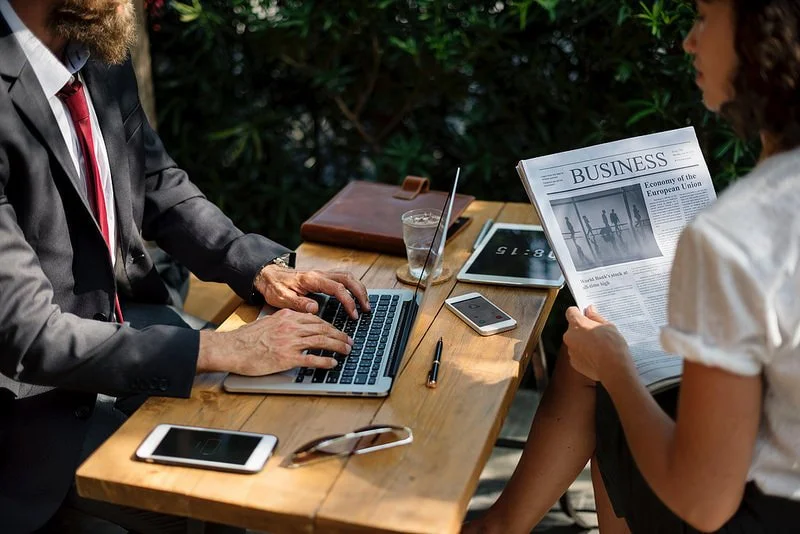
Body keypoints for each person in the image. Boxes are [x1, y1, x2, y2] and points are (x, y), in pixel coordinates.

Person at [0, 1, 372, 532]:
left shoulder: (92, 46)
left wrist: (259, 267)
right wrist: (223, 348)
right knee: (219, 492)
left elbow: (155, 182)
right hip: (29, 403)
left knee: (283, 420)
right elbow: (30, 337)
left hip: (130, 326)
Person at [464, 0, 800, 532]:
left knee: (606, 377)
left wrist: (618, 369)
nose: (690, 40)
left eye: (705, 16)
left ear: (764, 37)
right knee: (603, 353)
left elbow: (705, 504)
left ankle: (500, 526)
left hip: (764, 511)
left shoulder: (738, 233)